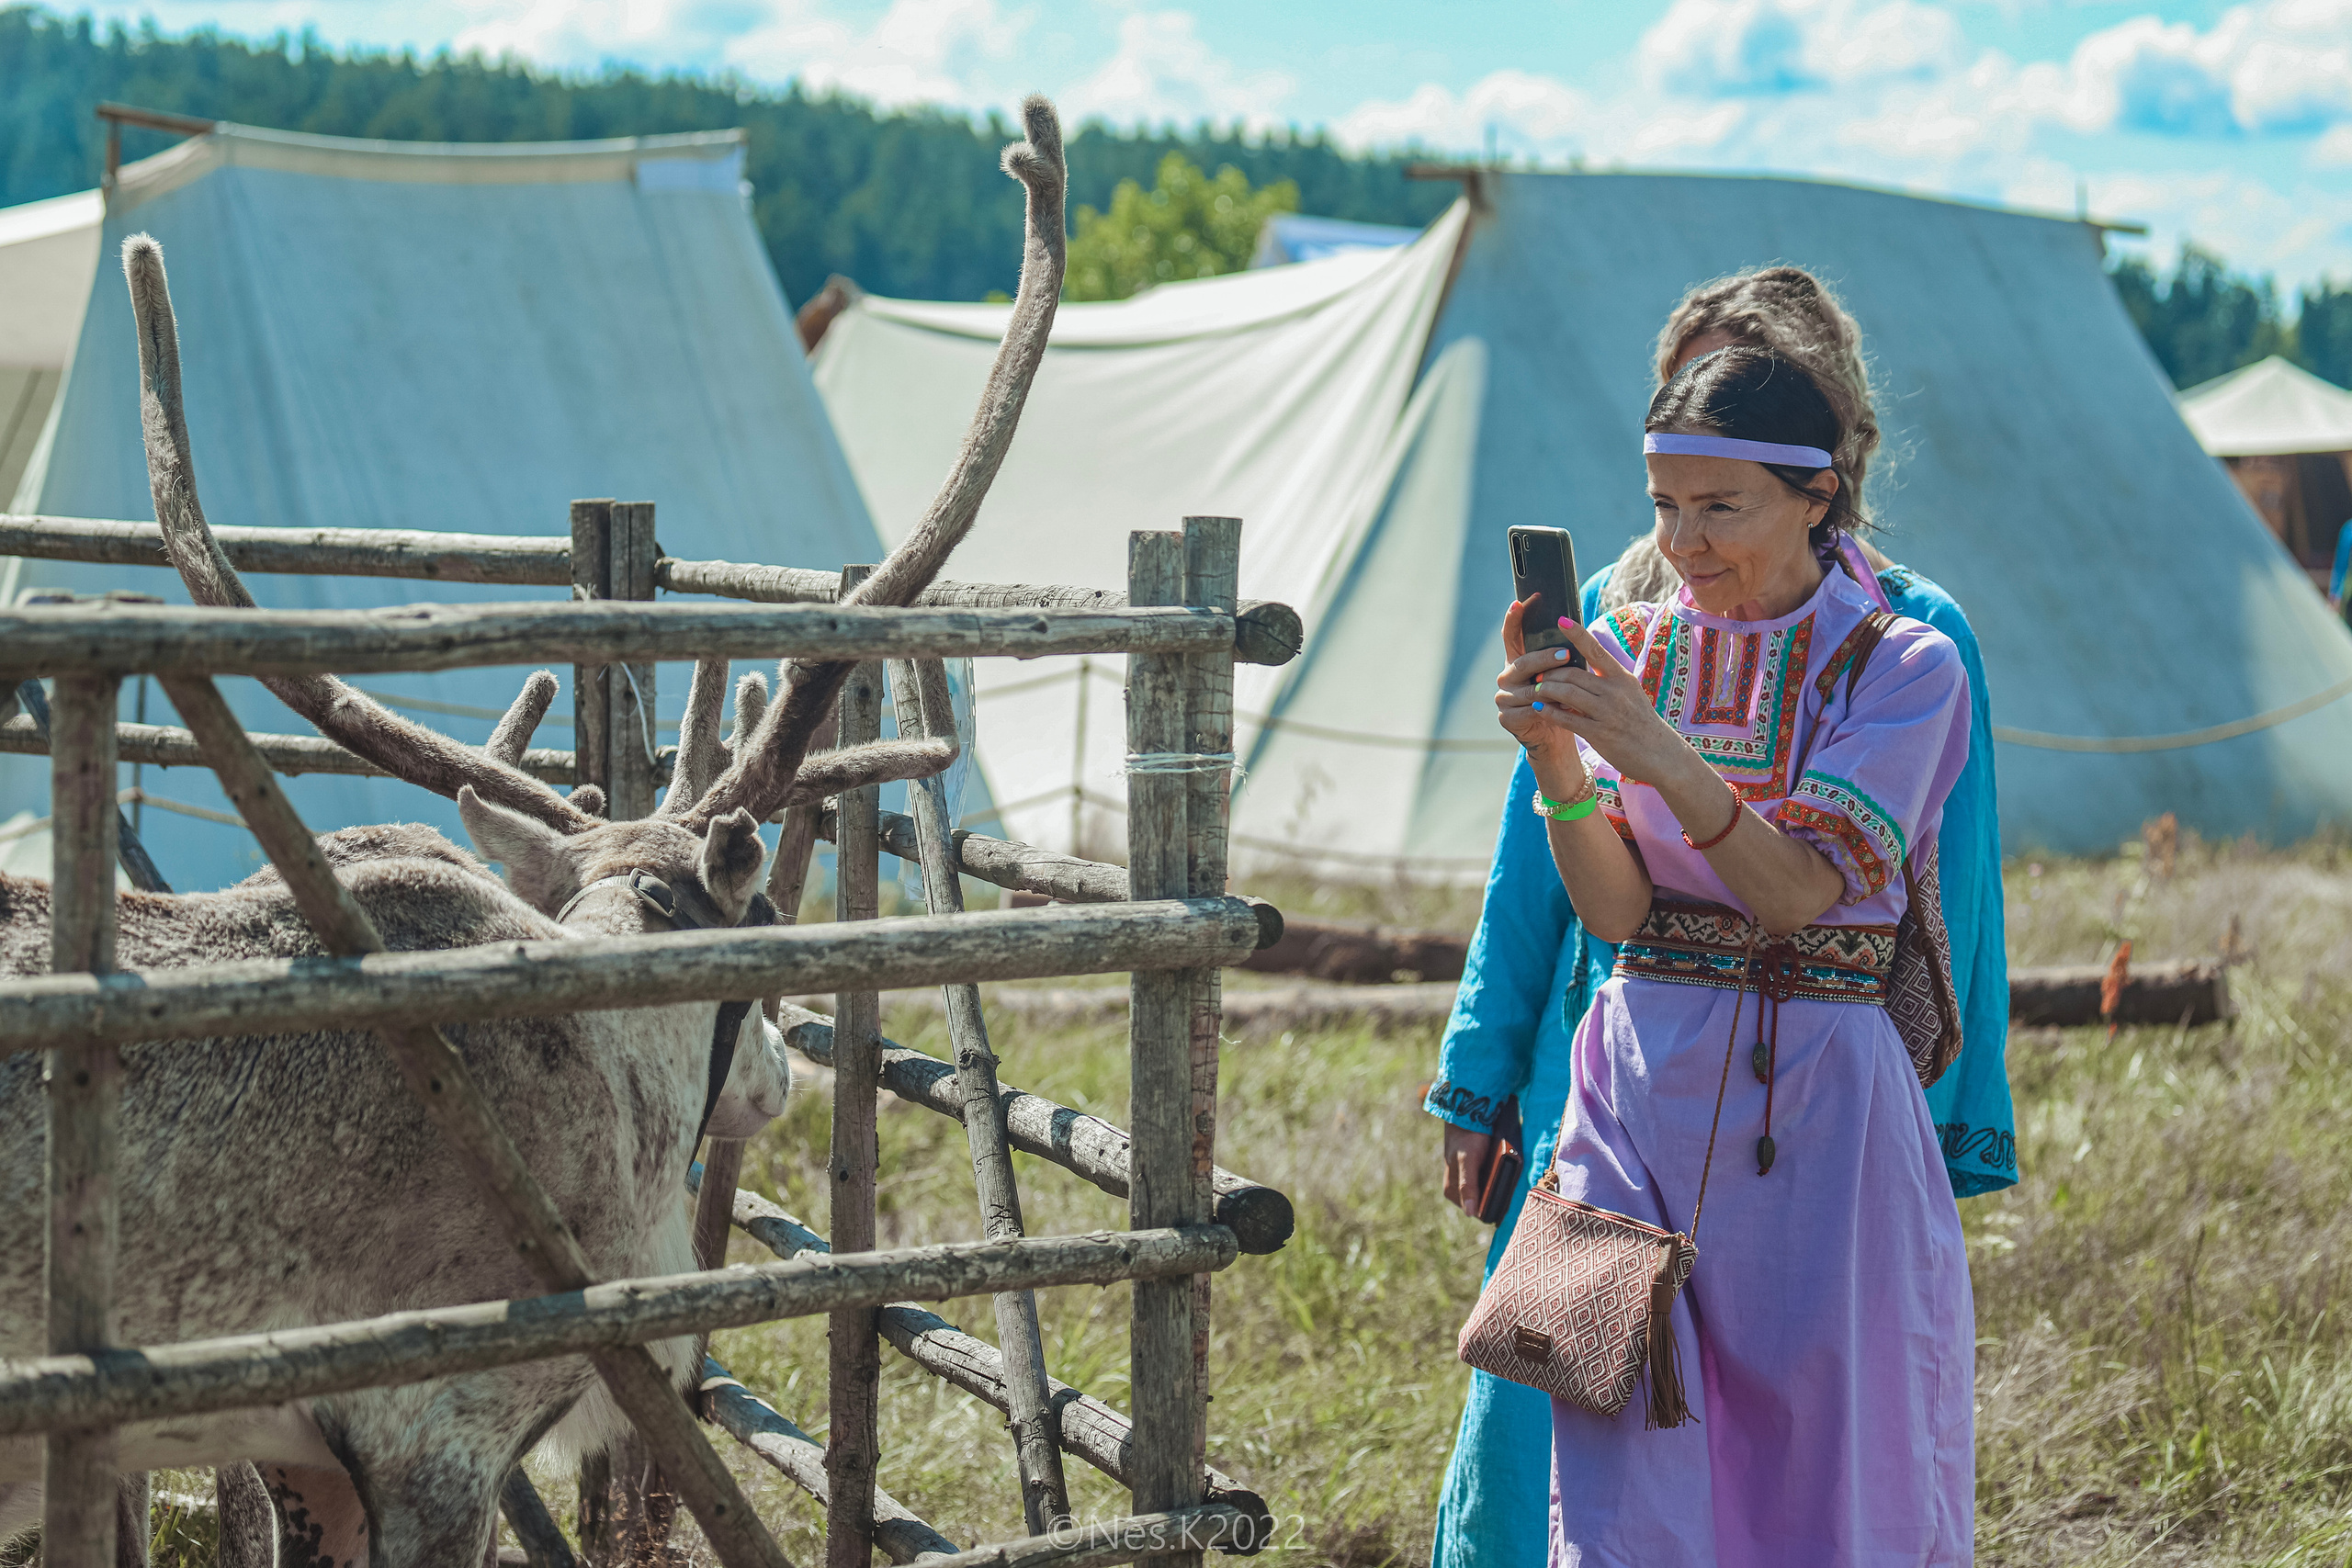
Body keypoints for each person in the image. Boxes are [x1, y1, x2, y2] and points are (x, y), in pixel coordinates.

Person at [1427, 268, 2009, 1567]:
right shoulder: (1639, 636)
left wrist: (1651, 744)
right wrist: (1566, 770)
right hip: (1638, 1088)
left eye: (1720, 508)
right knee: (1623, 1462)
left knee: (1827, 1461)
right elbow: (1621, 909)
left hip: (1819, 1109)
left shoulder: (1907, 660)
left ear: (1819, 491)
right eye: (1666, 505)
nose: (1684, 543)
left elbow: (1803, 894)